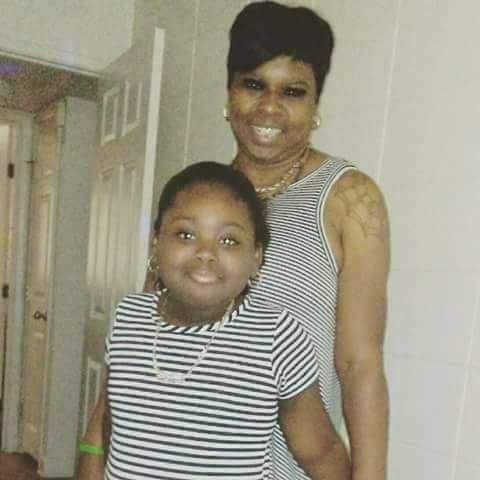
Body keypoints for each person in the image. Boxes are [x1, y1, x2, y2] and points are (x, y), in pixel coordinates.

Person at [76, 162, 350, 480]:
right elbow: (111, 423)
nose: (206, 252)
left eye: (229, 240)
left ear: (256, 257)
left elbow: (320, 450)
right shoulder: (129, 317)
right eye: (186, 234)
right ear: (157, 242)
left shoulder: (275, 336)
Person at [224, 2, 390, 480]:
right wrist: (96, 449)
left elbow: (359, 364)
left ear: (315, 105)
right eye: (253, 84)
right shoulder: (201, 196)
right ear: (229, 91)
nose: (269, 108)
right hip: (183, 457)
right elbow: (150, 329)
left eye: (293, 92)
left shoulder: (348, 198)